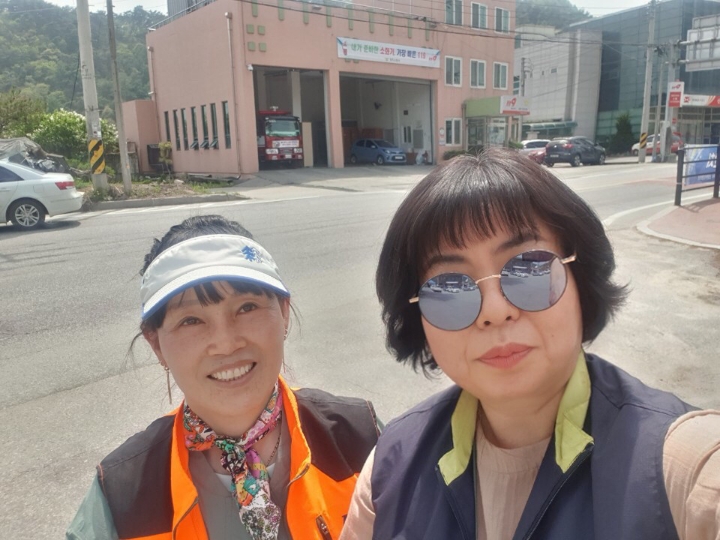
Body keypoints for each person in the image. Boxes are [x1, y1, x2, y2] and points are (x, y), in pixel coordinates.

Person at [341, 149, 720, 539]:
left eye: (529, 268)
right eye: (449, 286)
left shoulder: (682, 470)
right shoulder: (390, 467)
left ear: (579, 278)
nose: (495, 310)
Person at [67, 215, 380, 540]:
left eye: (247, 307)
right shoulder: (120, 497)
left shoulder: (363, 438)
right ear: (156, 344)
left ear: (284, 312)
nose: (227, 343)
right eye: (191, 320)